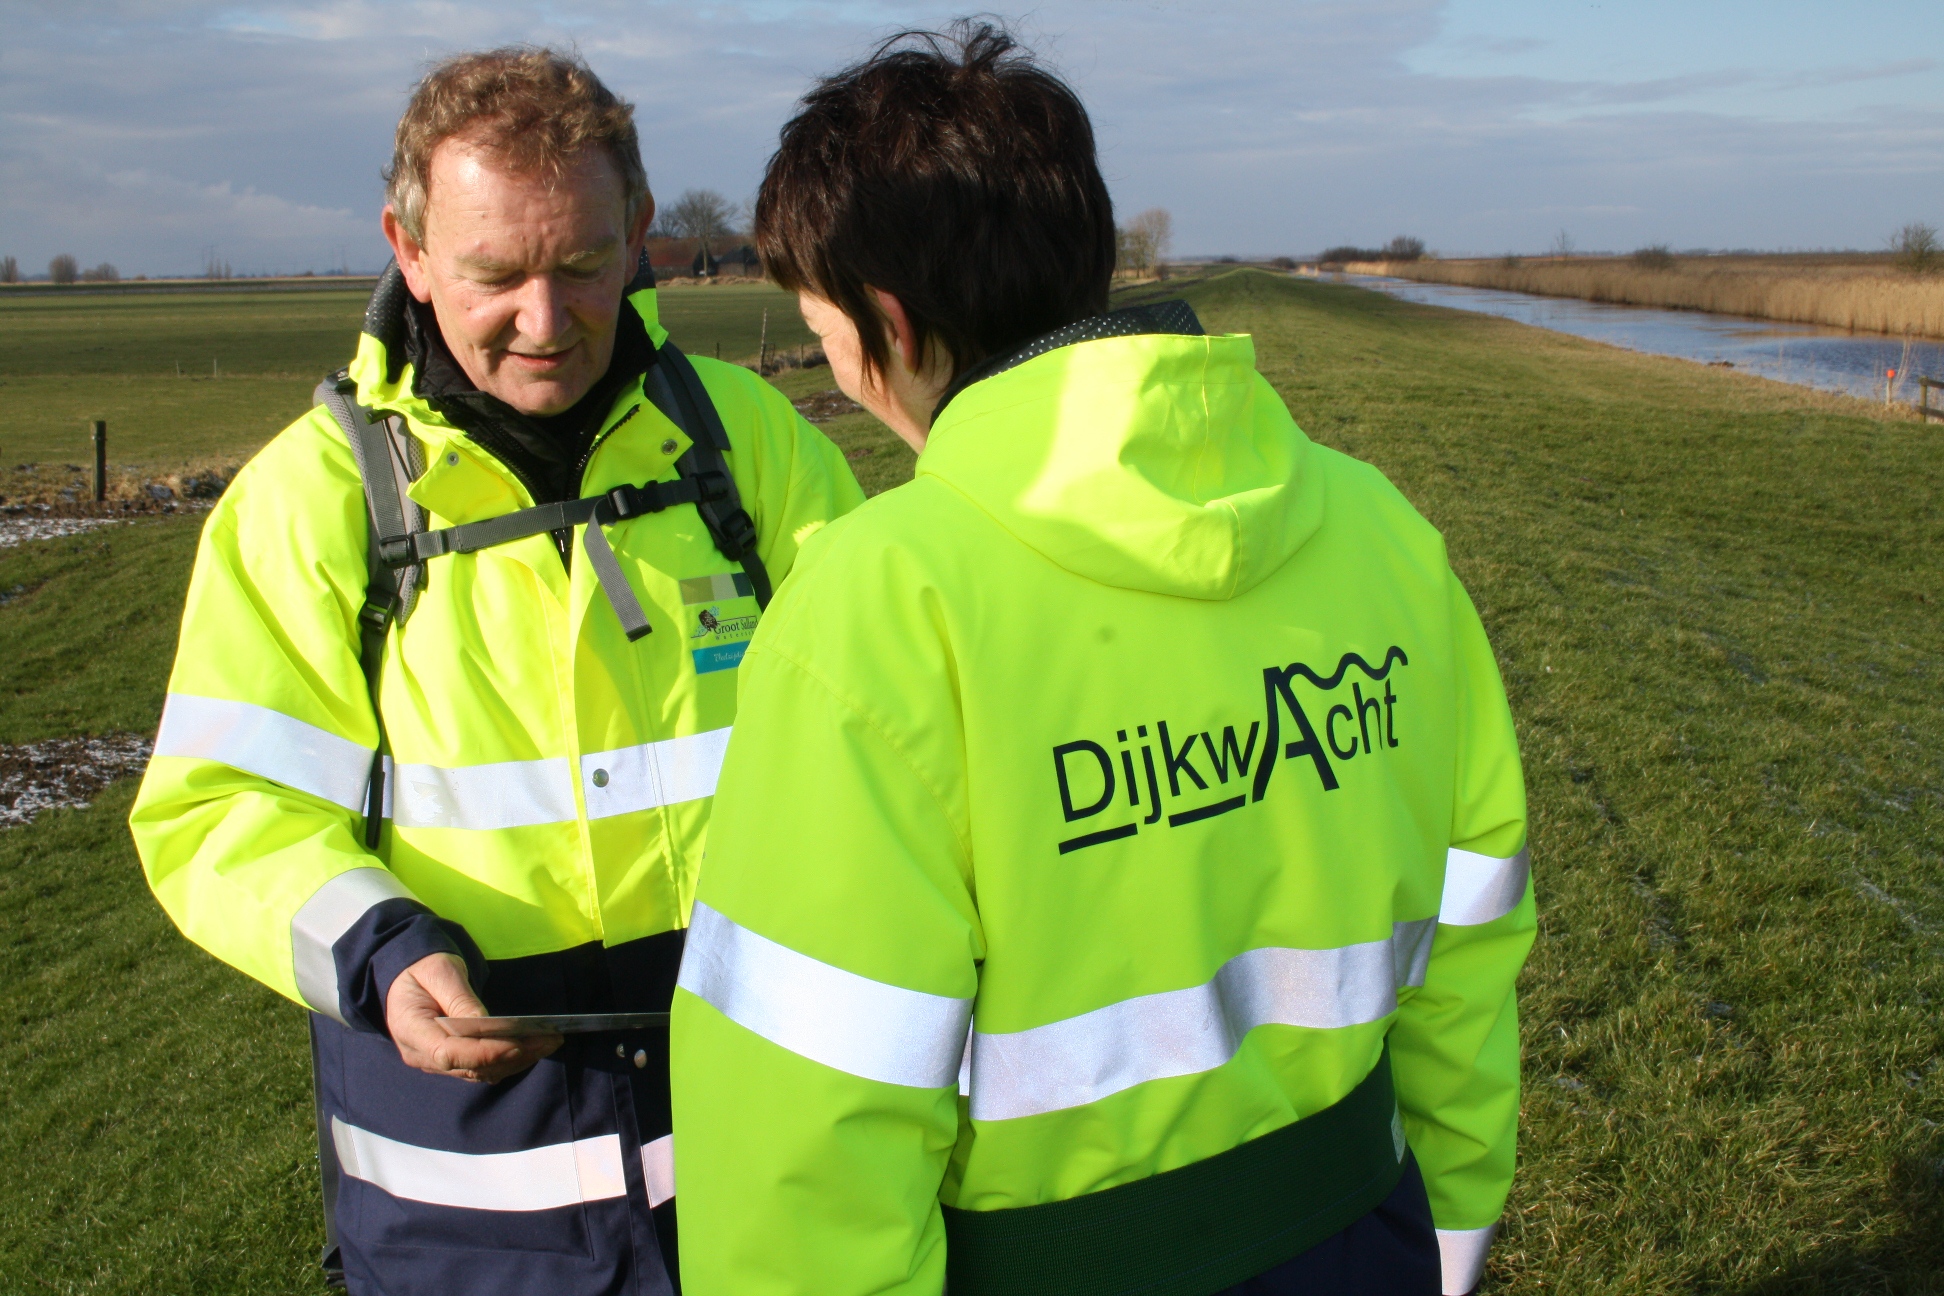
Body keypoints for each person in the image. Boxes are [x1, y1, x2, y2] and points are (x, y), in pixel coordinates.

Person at [669, 23, 1534, 1296]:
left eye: (824, 326)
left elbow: (811, 1108)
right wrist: (1452, 1226)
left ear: (888, 326)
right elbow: (1469, 940)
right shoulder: (1380, 532)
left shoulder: (881, 606)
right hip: (1369, 1232)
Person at [130, 47, 862, 1295]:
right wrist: (381, 951)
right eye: (495, 275)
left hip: (771, 1172)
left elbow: (890, 732)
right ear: (407, 249)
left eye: (582, 266)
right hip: (467, 1220)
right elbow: (214, 812)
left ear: (640, 235)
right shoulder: (306, 508)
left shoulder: (750, 448)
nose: (543, 318)